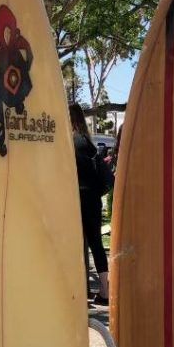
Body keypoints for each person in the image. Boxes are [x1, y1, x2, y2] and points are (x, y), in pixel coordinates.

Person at [70, 103, 109, 305]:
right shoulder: (89, 142)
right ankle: (105, 291)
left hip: (77, 199)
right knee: (96, 244)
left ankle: (77, 292)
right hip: (93, 200)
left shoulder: (70, 142)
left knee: (75, 246)